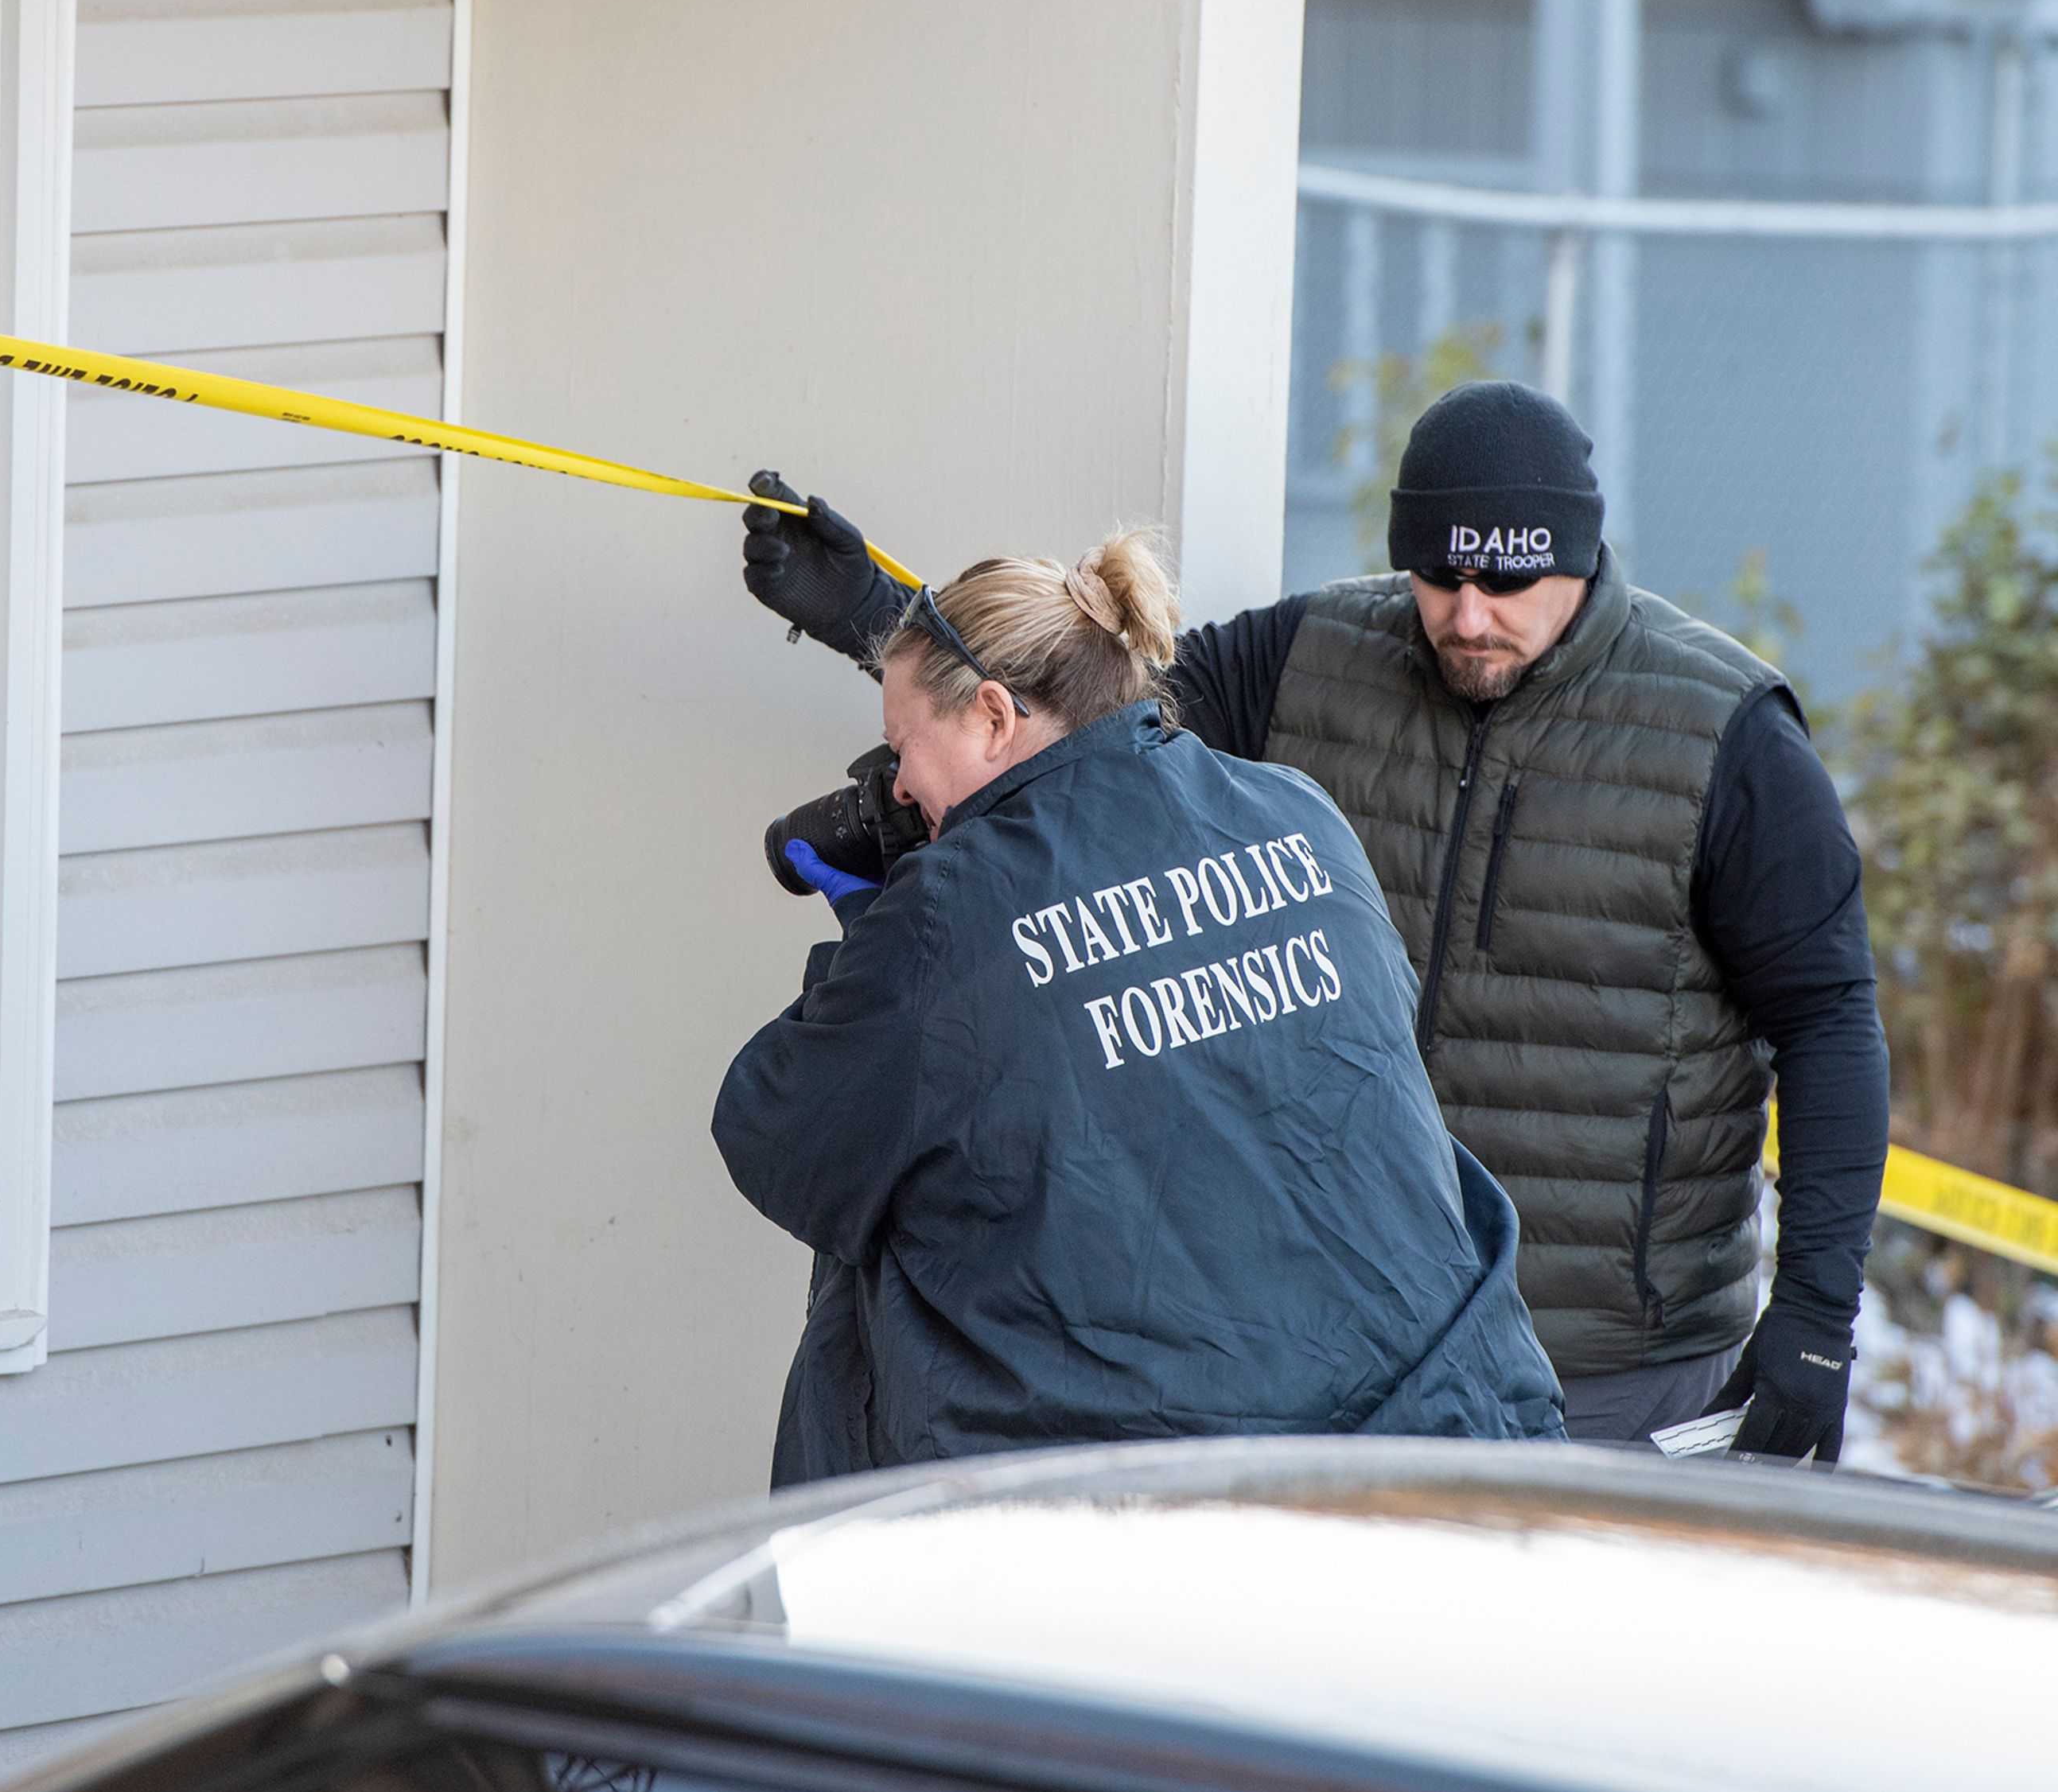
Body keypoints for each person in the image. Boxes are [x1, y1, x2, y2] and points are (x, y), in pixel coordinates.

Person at [737, 382, 1889, 1459]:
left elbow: (1832, 1019)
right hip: (1353, 1340)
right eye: (1439, 578)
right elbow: (1081, 723)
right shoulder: (1323, 657)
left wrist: (1818, 1312)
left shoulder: (1720, 735)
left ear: (1584, 558)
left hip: (1612, 1358)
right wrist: (890, 620)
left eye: (1511, 584)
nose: (1471, 615)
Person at [714, 534, 1565, 1486]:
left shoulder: (953, 913)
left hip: (1143, 1513)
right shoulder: (1295, 809)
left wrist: (871, 946)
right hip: (1445, 1439)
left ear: (994, 715)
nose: (901, 785)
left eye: (907, 745)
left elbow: (775, 1130)